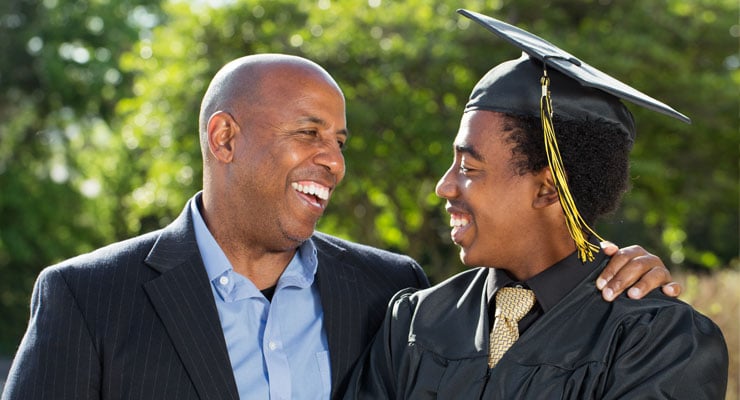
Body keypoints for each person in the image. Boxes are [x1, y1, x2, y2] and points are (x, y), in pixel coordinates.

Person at [2, 54, 681, 400]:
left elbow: (527, 300)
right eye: (308, 133)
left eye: (341, 139)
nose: (333, 158)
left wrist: (601, 266)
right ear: (225, 136)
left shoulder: (389, 296)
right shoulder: (88, 299)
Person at [344, 10, 728, 400]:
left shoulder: (655, 341)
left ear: (547, 189)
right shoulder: (414, 321)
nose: (444, 186)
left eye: (469, 167)